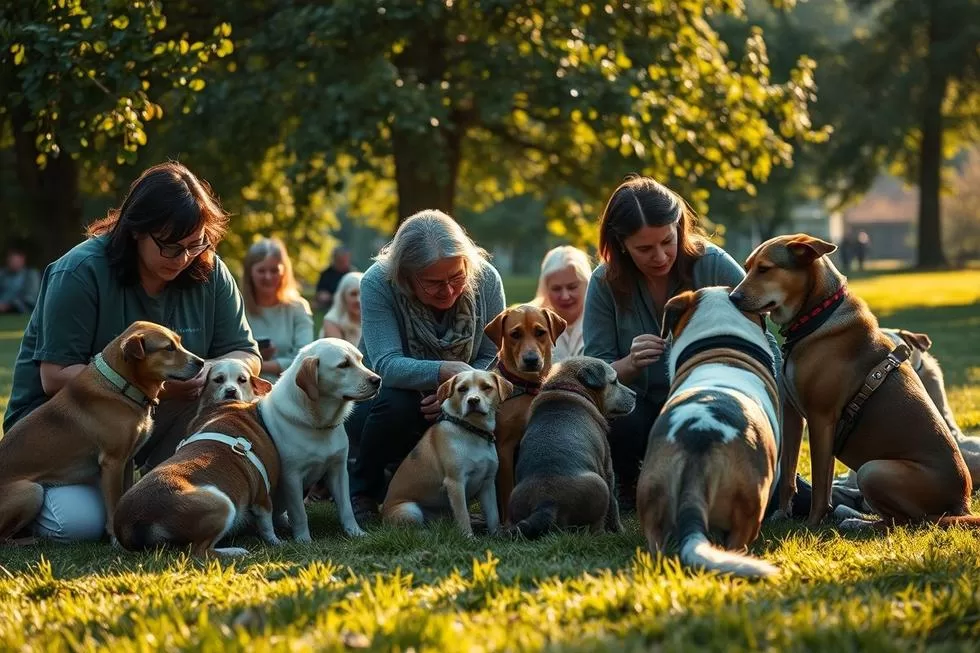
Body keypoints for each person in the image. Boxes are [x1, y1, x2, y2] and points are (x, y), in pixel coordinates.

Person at [2, 161, 260, 543]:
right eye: (171, 245)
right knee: (78, 524)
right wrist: (160, 386)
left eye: (197, 242)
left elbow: (246, 352)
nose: (184, 256)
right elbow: (54, 376)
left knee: (231, 497)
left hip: (156, 420)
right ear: (136, 229)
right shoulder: (79, 271)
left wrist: (219, 371)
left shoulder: (209, 270)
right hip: (67, 437)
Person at [583, 175, 809, 514]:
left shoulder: (712, 263)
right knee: (622, 422)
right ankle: (630, 488)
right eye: (644, 248)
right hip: (645, 416)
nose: (659, 256)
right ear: (621, 244)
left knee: (792, 499)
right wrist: (629, 364)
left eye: (666, 241)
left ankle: (845, 497)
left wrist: (765, 416)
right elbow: (594, 375)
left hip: (720, 413)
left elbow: (767, 345)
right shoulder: (604, 282)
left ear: (678, 227)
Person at [346, 209, 505, 524]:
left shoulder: (486, 279)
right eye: (433, 282)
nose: (447, 290)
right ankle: (363, 489)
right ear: (405, 276)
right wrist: (443, 373)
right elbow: (386, 364)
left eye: (456, 277)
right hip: (387, 399)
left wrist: (453, 394)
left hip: (462, 396)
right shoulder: (378, 282)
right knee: (397, 403)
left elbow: (493, 354)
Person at [241, 237, 315, 382]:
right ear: (250, 273)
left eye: (274, 270)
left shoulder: (298, 308)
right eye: (261, 271)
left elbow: (305, 358)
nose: (268, 277)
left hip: (288, 389)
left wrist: (256, 364)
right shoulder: (237, 307)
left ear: (284, 272)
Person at [532, 245, 592, 362]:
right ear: (545, 288)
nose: (565, 296)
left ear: (587, 283)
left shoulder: (603, 318)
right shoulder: (532, 322)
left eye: (572, 287)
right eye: (556, 289)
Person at [320, 271, 363, 345]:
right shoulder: (332, 321)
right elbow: (340, 353)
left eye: (362, 293)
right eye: (353, 294)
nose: (358, 300)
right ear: (343, 296)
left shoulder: (373, 318)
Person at [0, 245, 41, 314]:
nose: (13, 263)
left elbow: (31, 298)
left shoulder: (30, 275)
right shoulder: (2, 274)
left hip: (21, 312)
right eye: (11, 260)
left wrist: (9, 305)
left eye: (16, 261)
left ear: (22, 260)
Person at [315, 246, 356, 311]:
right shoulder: (326, 273)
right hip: (330, 305)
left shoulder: (353, 274)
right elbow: (320, 292)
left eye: (345, 260)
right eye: (340, 261)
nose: (343, 263)